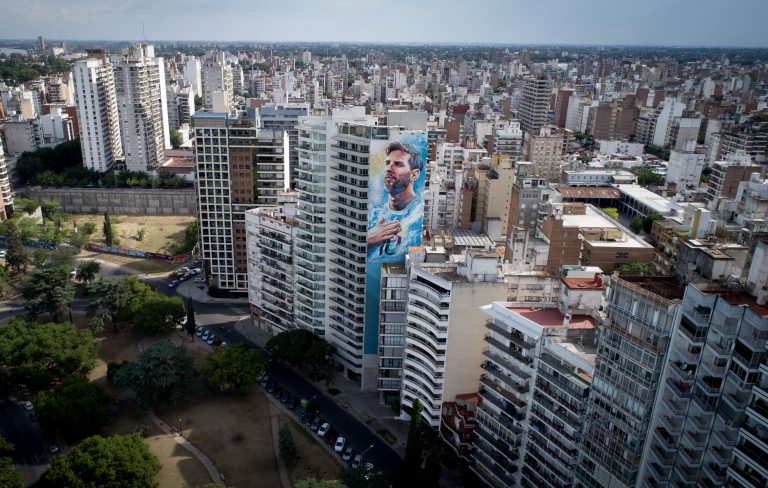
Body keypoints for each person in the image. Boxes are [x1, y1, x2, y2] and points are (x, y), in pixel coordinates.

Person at [367, 141, 424, 262]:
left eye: (398, 164)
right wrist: (368, 240)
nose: (388, 168)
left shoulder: (418, 216)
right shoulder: (373, 213)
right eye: (387, 163)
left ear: (414, 175)